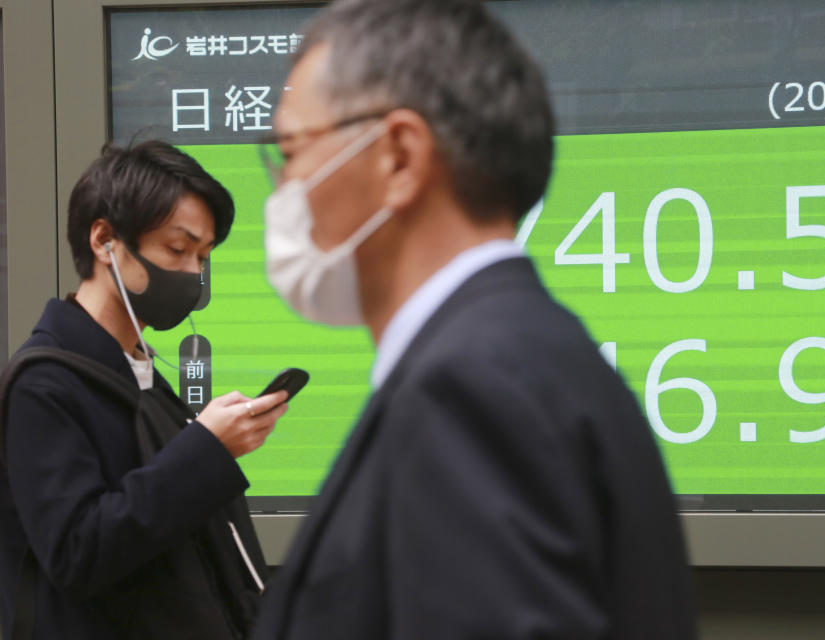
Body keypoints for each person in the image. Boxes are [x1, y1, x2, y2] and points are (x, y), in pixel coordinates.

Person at [254, 1, 696, 638]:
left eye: (293, 150)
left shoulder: (467, 389)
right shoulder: (537, 356)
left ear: (400, 157)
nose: (284, 189)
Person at [0, 141, 289, 639]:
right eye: (178, 249)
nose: (194, 274)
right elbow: (78, 553)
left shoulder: (140, 371)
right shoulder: (43, 384)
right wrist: (207, 450)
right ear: (104, 240)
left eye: (203, 257)